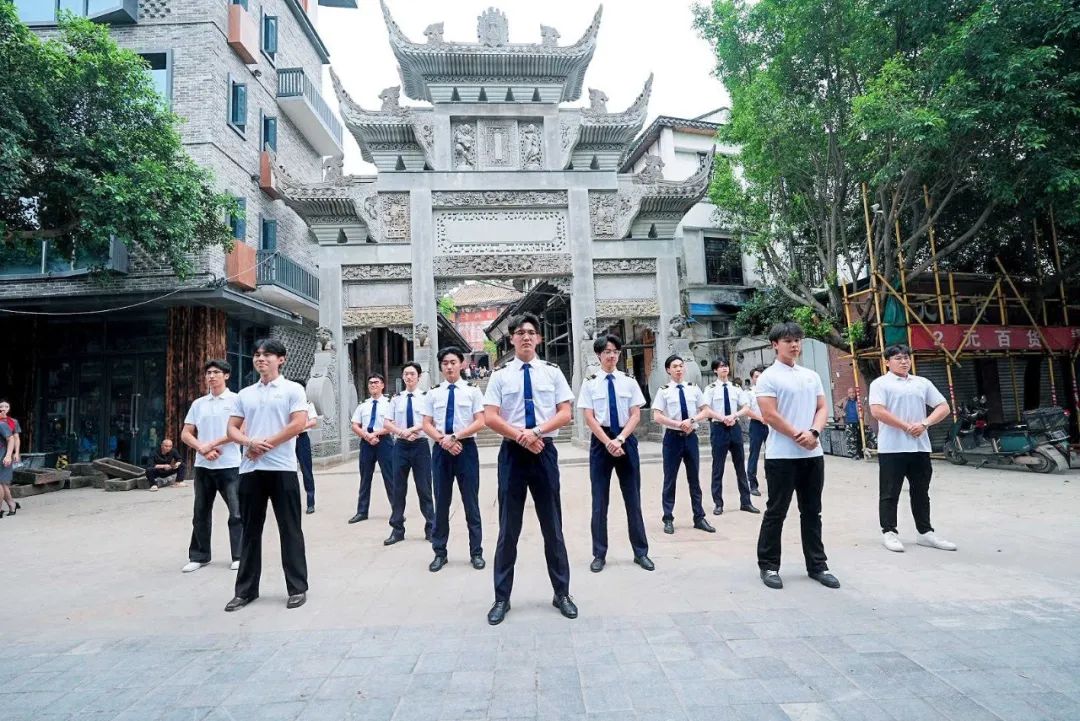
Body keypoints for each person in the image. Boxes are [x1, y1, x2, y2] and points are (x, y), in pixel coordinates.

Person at [483, 313, 575, 625]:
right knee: (508, 528)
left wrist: (535, 433)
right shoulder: (500, 376)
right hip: (512, 453)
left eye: (531, 332)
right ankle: (501, 598)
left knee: (553, 526)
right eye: (520, 332)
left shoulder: (552, 372)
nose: (526, 337)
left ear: (538, 338)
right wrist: (521, 436)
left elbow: (565, 413)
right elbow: (490, 417)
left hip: (543, 451)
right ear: (511, 339)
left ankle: (562, 593)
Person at [224, 338, 309, 611]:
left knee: (290, 529)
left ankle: (297, 588)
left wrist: (264, 445)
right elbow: (232, 429)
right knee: (250, 531)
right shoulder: (245, 394)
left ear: (281, 359)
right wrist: (249, 443)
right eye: (257, 354)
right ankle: (245, 591)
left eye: (267, 354)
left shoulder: (292, 389)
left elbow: (298, 424)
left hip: (282, 468)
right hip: (251, 469)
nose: (261, 359)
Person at [755, 322, 839, 591]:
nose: (794, 345)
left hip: (812, 454)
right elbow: (769, 414)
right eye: (788, 340)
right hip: (781, 455)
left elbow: (822, 407)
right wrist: (796, 435)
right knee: (776, 511)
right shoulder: (768, 377)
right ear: (775, 345)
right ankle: (769, 565)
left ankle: (817, 565)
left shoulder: (811, 375)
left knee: (812, 511)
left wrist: (814, 432)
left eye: (797, 340)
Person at [868, 344, 955, 553]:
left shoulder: (921, 383)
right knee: (890, 492)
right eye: (898, 358)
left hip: (920, 447)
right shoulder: (880, 384)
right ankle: (889, 532)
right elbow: (877, 411)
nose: (904, 361)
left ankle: (925, 532)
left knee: (921, 491)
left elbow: (944, 407)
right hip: (892, 448)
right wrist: (905, 426)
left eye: (906, 357)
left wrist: (925, 423)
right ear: (887, 362)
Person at [578, 334, 653, 573]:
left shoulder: (628, 381)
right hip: (601, 443)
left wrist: (620, 439)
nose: (611, 356)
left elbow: (635, 414)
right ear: (598, 355)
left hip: (625, 440)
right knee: (599, 501)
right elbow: (589, 417)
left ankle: (641, 552)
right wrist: (608, 441)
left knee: (633, 499)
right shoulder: (590, 383)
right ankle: (599, 554)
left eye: (615, 351)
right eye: (607, 352)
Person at [422, 347, 486, 572]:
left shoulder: (472, 391)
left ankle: (476, 552)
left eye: (453, 362)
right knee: (441, 502)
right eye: (445, 363)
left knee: (471, 502)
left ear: (462, 364)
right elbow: (426, 423)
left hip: (465, 449)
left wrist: (456, 437)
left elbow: (480, 421)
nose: (449, 366)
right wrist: (443, 440)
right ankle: (439, 552)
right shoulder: (433, 393)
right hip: (441, 450)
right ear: (441, 367)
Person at [180, 359, 243, 573]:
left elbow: (241, 431)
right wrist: (202, 448)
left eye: (216, 372)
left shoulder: (236, 400)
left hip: (230, 465)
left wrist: (212, 444)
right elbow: (186, 433)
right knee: (200, 512)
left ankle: (239, 555)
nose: (211, 376)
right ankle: (199, 556)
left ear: (226, 376)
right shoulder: (199, 404)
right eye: (208, 373)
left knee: (236, 512)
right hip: (203, 466)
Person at [651, 355, 715, 535]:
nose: (679, 369)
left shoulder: (693, 388)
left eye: (681, 365)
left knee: (694, 479)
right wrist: (678, 424)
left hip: (691, 438)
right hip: (672, 439)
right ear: (668, 370)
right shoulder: (663, 391)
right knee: (669, 480)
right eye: (674, 366)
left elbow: (706, 411)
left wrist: (691, 420)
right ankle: (668, 518)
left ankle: (699, 517)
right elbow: (657, 416)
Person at [382, 362, 436, 546]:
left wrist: (412, 430)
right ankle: (397, 529)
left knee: (424, 488)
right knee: (398, 489)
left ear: (418, 377)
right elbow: (387, 423)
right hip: (401, 446)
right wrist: (401, 433)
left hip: (420, 445)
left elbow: (430, 421)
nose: (409, 377)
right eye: (406, 374)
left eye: (412, 374)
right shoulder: (396, 399)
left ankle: (431, 527)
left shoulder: (426, 397)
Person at [703, 357, 759, 516]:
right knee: (718, 467)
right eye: (721, 366)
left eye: (726, 366)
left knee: (740, 465)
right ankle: (718, 503)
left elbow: (746, 407)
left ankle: (746, 502)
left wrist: (734, 415)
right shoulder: (710, 388)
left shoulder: (736, 388)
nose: (724, 368)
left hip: (734, 427)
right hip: (718, 428)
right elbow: (706, 409)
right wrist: (722, 418)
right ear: (715, 370)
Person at [348, 374, 394, 525]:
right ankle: (362, 511)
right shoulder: (363, 406)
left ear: (382, 385)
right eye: (371, 383)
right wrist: (367, 436)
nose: (373, 385)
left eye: (376, 382)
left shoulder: (389, 404)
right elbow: (355, 425)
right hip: (366, 443)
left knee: (390, 477)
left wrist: (376, 434)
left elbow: (393, 425)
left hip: (384, 442)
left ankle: (397, 511)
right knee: (365, 477)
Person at [294, 382, 318, 515]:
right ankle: (292, 502)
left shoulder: (308, 404)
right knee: (289, 471)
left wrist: (298, 428)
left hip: (302, 439)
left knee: (306, 470)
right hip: (288, 439)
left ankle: (310, 502)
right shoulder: (287, 404)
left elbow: (313, 421)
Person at [745, 366, 768, 497]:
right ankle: (753, 484)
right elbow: (747, 410)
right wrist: (760, 418)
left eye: (761, 376)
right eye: (756, 377)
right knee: (754, 453)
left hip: (770, 425)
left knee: (771, 453)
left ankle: (772, 480)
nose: (759, 379)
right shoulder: (749, 393)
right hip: (756, 425)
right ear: (752, 379)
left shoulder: (770, 391)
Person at [0, 400, 17, 518]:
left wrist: (8, 455)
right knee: (2, 484)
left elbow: (11, 439)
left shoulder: (2, 424)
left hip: (2, 456)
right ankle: (11, 504)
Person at [837, 387, 863, 457]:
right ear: (848, 394)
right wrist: (842, 413)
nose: (852, 394)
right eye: (850, 393)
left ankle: (861, 454)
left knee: (858, 438)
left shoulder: (858, 400)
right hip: (848, 422)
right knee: (850, 439)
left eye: (853, 392)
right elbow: (836, 406)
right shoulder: (845, 400)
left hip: (858, 422)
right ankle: (854, 455)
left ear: (855, 393)